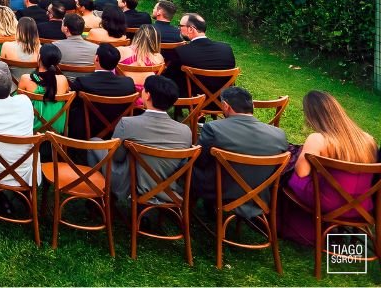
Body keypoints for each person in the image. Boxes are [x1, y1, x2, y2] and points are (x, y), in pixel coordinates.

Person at [280, 91, 378, 246]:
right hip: (363, 206)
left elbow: (302, 172)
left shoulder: (318, 139)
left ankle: (294, 224)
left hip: (329, 204)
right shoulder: (368, 139)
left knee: (289, 177)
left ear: (312, 115)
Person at [195, 86, 290, 217]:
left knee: (189, 166)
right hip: (260, 196)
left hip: (221, 193)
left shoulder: (213, 128)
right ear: (253, 106)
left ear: (225, 106)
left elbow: (199, 161)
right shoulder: (279, 135)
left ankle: (187, 209)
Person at [96, 75, 193, 199]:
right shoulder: (185, 131)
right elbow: (181, 166)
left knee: (95, 144)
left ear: (147, 95)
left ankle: (105, 198)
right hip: (167, 188)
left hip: (131, 185)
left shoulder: (127, 124)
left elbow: (116, 157)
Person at [69, 43, 138, 138]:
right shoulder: (128, 84)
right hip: (118, 133)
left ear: (96, 58)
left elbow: (71, 106)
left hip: (88, 133)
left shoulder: (82, 82)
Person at [169, 12, 236, 95]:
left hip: (195, 99)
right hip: (222, 100)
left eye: (181, 26)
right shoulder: (226, 49)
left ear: (191, 29)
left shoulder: (181, 51)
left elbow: (169, 78)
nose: (179, 29)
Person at [17, 43, 69, 134]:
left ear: (39, 57)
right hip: (57, 130)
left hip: (33, 129)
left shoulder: (26, 79)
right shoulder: (63, 80)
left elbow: (18, 105)